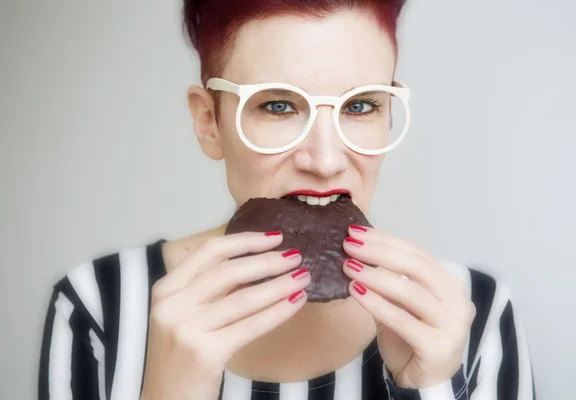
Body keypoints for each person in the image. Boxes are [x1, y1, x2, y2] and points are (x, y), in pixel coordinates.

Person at [38, 1, 536, 399]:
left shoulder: (478, 314)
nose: (324, 160)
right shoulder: (98, 307)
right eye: (278, 105)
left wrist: (428, 389)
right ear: (208, 121)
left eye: (361, 105)